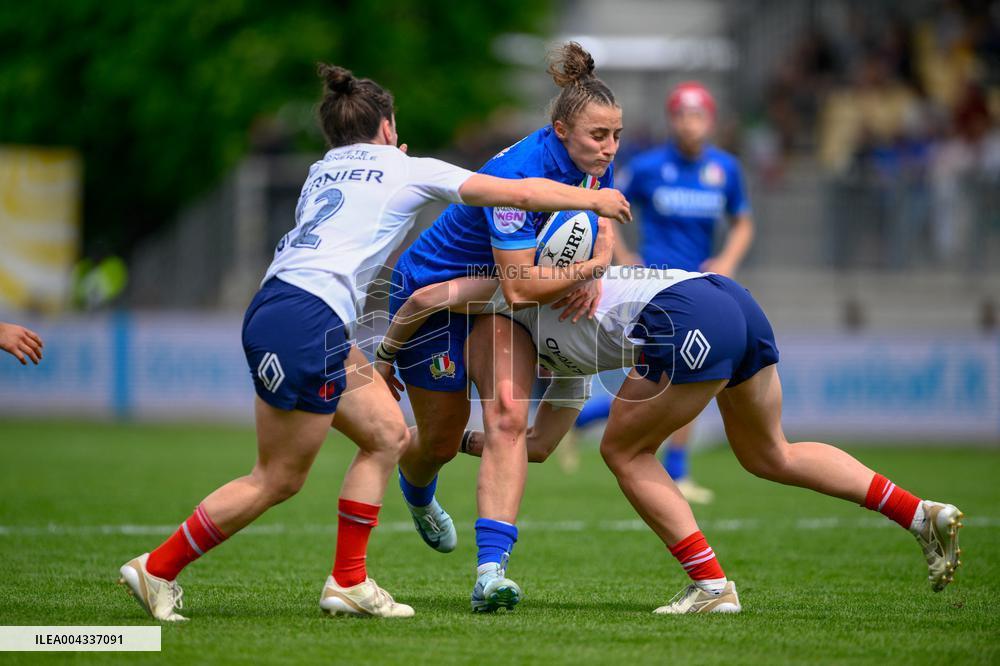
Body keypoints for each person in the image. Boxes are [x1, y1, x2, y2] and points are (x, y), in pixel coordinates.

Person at [117, 63, 631, 622]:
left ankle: (349, 582)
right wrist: (595, 208)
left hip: (283, 309)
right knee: (279, 476)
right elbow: (520, 193)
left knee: (386, 433)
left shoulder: (320, 171)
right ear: (388, 127)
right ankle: (158, 568)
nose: (608, 147)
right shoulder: (402, 167)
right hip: (310, 320)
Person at [379, 263, 964, 613]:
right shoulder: (563, 369)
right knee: (770, 454)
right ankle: (919, 513)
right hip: (730, 299)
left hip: (685, 314)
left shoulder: (510, 292)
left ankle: (710, 584)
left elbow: (428, 297)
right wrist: (454, 438)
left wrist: (385, 357)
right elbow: (533, 446)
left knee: (622, 450)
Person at [380, 42, 625, 612]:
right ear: (561, 130)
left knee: (510, 415)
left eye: (615, 135)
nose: (609, 148)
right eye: (597, 137)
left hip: (493, 296)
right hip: (437, 295)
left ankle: (490, 573)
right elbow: (518, 286)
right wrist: (586, 268)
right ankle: (417, 491)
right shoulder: (518, 176)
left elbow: (599, 219)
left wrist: (590, 268)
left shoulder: (594, 162)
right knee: (437, 441)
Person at [575, 81, 755, 504]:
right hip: (654, 286)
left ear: (709, 121)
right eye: (681, 115)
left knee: (677, 374)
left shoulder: (725, 169)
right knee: (679, 373)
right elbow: (608, 204)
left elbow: (743, 221)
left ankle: (591, 418)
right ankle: (672, 468)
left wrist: (728, 259)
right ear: (671, 120)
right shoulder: (650, 166)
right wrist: (624, 254)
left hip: (699, 286)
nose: (689, 123)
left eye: (697, 115)